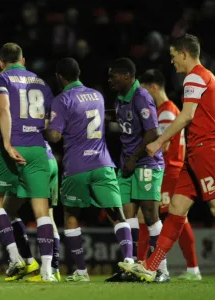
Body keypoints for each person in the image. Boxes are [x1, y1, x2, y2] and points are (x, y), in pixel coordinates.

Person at [119, 33, 215, 282]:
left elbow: (186, 116)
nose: (172, 62)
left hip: (206, 151)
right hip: (194, 154)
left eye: (173, 57)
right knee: (176, 210)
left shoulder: (196, 76)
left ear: (184, 53)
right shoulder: (206, 78)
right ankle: (151, 266)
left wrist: (159, 141)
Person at [45, 57, 134, 283]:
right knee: (117, 214)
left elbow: (55, 136)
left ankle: (82, 272)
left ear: (59, 78)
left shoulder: (62, 99)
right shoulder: (97, 95)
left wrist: (45, 126)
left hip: (77, 167)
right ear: (79, 73)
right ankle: (130, 263)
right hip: (103, 163)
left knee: (71, 216)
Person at [0, 43, 56, 282]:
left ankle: (15, 256)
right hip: (38, 148)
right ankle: (48, 271)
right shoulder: (41, 82)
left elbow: (3, 108)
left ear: (1, 62)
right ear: (23, 60)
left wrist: (7, 143)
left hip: (13, 145)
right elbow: (48, 123)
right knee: (41, 211)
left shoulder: (2, 78)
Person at [107, 58, 169, 282]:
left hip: (146, 164)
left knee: (151, 217)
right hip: (127, 165)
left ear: (126, 76)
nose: (109, 79)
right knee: (125, 214)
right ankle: (130, 267)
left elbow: (152, 132)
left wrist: (134, 157)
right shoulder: (120, 99)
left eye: (113, 75)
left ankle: (162, 269)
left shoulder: (141, 96)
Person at [139, 69, 201, 280]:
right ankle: (190, 268)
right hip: (172, 171)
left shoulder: (166, 111)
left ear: (153, 87)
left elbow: (163, 146)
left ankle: (144, 264)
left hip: (170, 171)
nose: (143, 96)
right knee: (176, 218)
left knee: (165, 217)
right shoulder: (169, 109)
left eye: (144, 90)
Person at [3, 140, 61, 282]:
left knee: (5, 212)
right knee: (48, 215)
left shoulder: (13, 119)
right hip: (50, 159)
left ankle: (29, 261)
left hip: (32, 161)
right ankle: (54, 270)